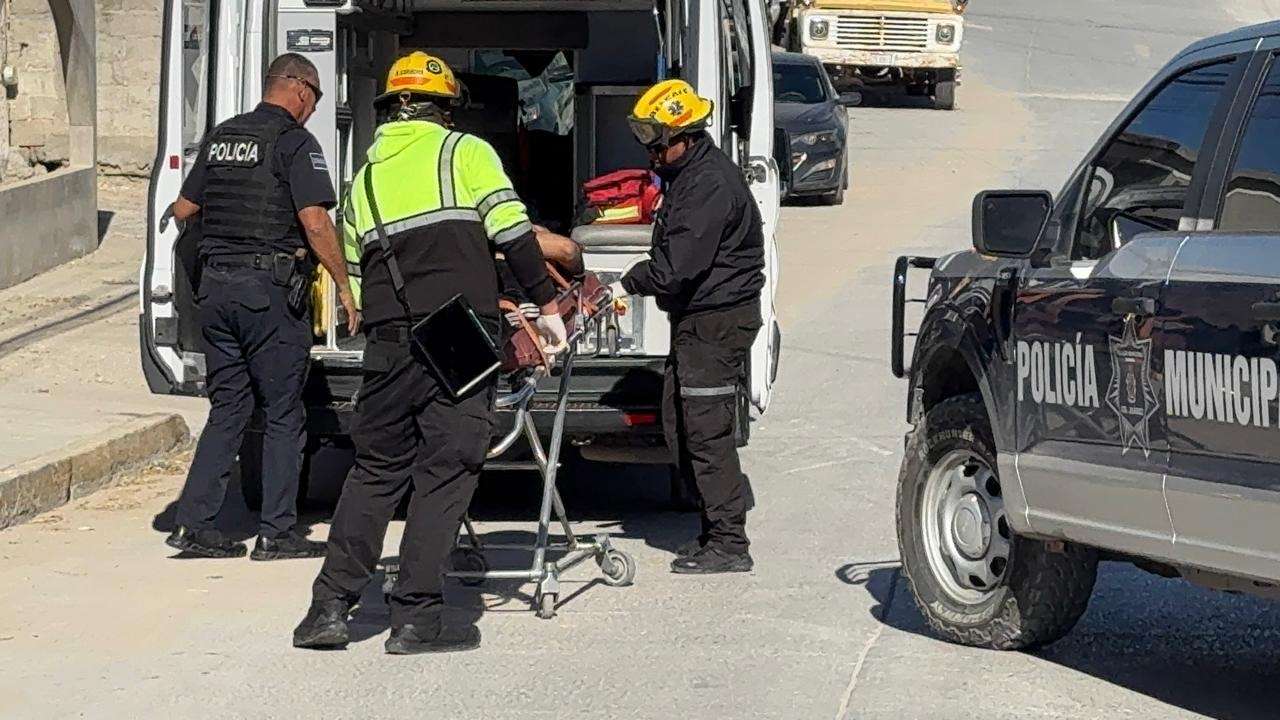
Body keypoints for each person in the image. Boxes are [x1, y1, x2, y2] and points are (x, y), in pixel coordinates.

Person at [293, 52, 567, 654]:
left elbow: (356, 277)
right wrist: (547, 307)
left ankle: (328, 609)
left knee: (375, 470)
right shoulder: (464, 152)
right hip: (458, 336)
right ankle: (416, 618)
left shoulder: (362, 180)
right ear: (444, 109)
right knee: (447, 469)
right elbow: (514, 233)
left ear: (392, 108)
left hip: (389, 342)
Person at [165, 53, 360, 561]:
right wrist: (343, 286)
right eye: (315, 99)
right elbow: (315, 222)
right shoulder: (294, 142)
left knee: (229, 407)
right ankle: (277, 533)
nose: (313, 110)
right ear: (299, 89)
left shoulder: (223, 136)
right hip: (266, 294)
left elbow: (184, 209)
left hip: (215, 292)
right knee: (282, 412)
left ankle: (193, 525)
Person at [610, 79, 765, 574]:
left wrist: (627, 281)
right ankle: (713, 528)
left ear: (685, 135)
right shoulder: (690, 177)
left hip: (715, 324)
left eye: (657, 142)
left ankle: (729, 543)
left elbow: (675, 267)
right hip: (700, 322)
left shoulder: (708, 185)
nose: (652, 153)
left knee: (706, 433)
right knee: (680, 423)